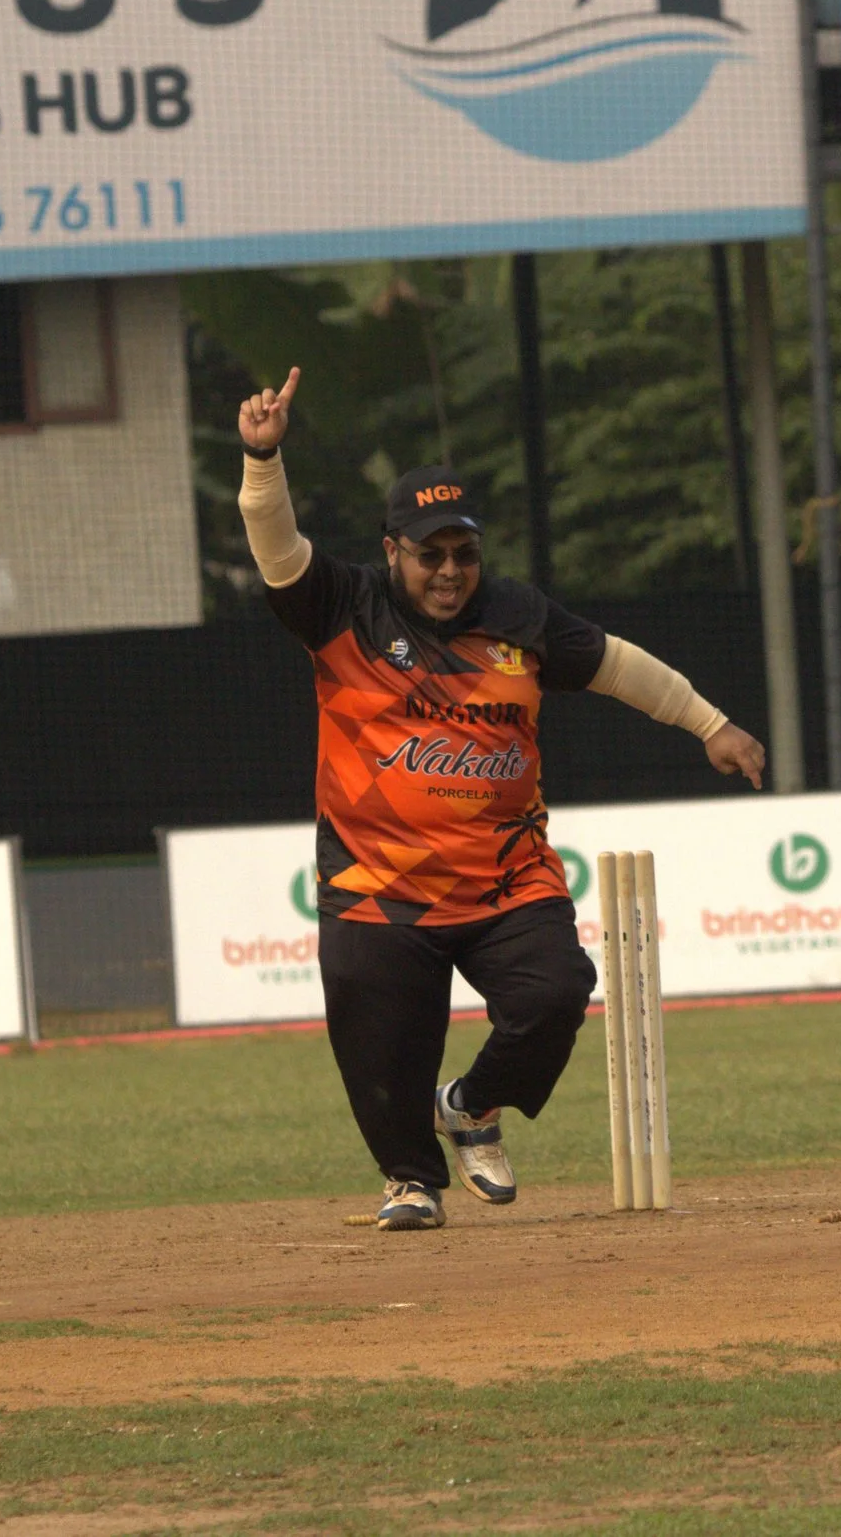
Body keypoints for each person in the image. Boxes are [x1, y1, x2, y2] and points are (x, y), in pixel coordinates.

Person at [235, 368, 768, 1230]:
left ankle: (473, 1106)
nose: (450, 571)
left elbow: (619, 664)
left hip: (506, 876)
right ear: (393, 551)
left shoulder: (517, 616)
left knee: (557, 993)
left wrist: (711, 722)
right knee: (380, 1047)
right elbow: (277, 548)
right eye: (430, 553)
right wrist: (263, 459)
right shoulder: (343, 606)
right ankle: (409, 1179)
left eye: (464, 553)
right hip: (378, 885)